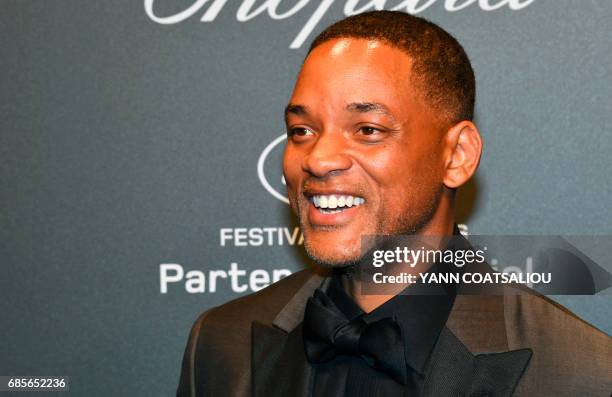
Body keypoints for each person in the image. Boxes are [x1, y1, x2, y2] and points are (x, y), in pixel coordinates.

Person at [177, 11, 611, 397]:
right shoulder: (220, 343)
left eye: (367, 129)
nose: (318, 159)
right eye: (301, 130)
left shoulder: (582, 374)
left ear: (457, 155)